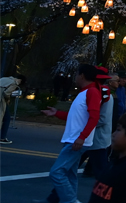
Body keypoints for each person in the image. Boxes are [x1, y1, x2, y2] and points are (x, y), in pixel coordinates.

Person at [37, 64, 102, 203]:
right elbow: (77, 116)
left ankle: (71, 201)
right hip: (75, 139)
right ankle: (69, 200)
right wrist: (56, 113)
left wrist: (82, 137)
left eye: (77, 74)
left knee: (57, 172)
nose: (75, 77)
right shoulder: (85, 92)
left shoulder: (91, 92)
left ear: (82, 75)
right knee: (70, 174)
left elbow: (94, 117)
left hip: (76, 141)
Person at [81, 68, 115, 178]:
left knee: (101, 170)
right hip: (90, 136)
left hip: (97, 137)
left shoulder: (105, 96)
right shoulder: (94, 93)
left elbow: (102, 118)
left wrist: (86, 124)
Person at [0, 72, 26, 144]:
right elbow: (6, 93)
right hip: (1, 101)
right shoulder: (14, 83)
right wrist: (8, 100)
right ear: (20, 81)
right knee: (7, 118)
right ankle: (2, 137)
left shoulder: (4, 79)